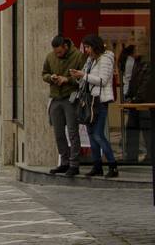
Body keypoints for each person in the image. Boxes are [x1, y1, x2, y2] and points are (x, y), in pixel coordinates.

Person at [70, 34, 118, 178]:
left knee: (98, 135)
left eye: (89, 47)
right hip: (90, 100)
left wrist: (84, 75)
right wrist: (79, 77)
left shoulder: (105, 60)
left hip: (100, 101)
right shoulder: (91, 61)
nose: (87, 50)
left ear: (95, 46)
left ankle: (112, 165)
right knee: (91, 135)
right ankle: (97, 165)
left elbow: (102, 80)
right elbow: (86, 81)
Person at [43, 35, 85, 176]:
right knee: (58, 133)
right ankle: (64, 162)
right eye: (55, 52)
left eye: (60, 52)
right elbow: (44, 74)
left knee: (73, 132)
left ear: (66, 46)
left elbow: (83, 78)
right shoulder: (50, 57)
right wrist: (51, 78)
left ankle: (74, 164)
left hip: (70, 97)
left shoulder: (78, 56)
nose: (58, 54)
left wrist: (68, 79)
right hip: (55, 97)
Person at [123, 38, 153, 162]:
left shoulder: (149, 62)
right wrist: (129, 96)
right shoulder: (138, 61)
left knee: (147, 131)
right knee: (131, 129)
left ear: (147, 47)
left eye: (141, 46)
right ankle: (131, 157)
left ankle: (151, 157)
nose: (138, 49)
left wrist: (136, 99)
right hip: (135, 102)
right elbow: (132, 80)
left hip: (145, 103)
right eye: (137, 46)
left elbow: (146, 85)